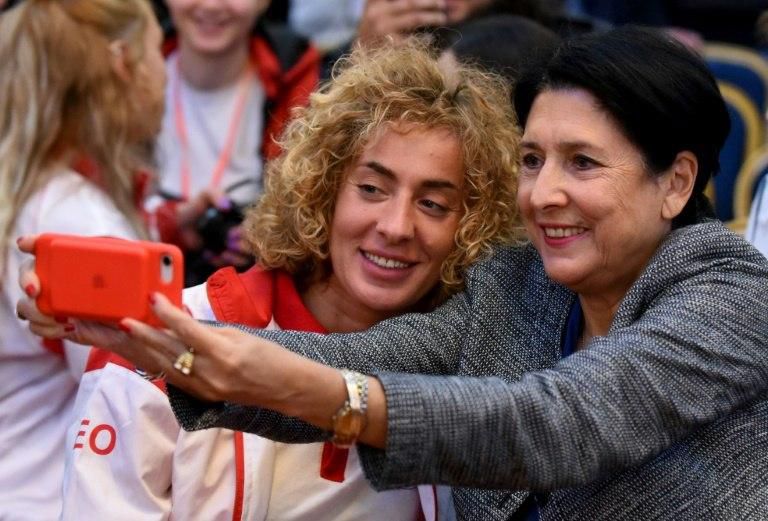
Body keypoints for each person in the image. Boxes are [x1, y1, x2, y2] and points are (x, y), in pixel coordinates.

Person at [18, 27, 768, 519]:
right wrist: (169, 343)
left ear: (675, 183)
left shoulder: (732, 293)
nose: (543, 194)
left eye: (583, 163)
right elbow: (348, 359)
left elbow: (553, 421)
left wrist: (256, 369)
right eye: (533, 161)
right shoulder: (520, 288)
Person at [53, 40, 519, 519]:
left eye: (433, 205)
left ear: (471, 227)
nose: (397, 227)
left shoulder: (469, 366)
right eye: (372, 189)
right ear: (323, 190)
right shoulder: (163, 346)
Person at [0, 0, 165, 518]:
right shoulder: (76, 218)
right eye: (159, 48)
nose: (167, 69)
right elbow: (125, 395)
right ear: (124, 64)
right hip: (43, 497)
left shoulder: (32, 193)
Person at [148, 0, 320, 285]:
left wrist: (270, 236)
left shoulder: (297, 70)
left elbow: (309, 213)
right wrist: (170, 223)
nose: (212, 5)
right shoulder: (126, 65)